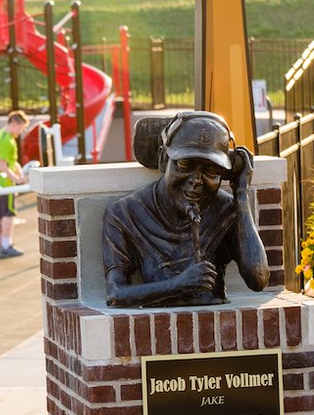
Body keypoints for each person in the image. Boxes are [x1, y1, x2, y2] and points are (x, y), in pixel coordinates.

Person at [102, 111, 269, 308]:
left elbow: (258, 279)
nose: (196, 180)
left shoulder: (226, 211)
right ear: (164, 159)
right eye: (185, 164)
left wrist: (241, 194)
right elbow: (116, 294)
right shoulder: (124, 214)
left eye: (211, 171)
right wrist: (178, 285)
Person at [0, 110, 30, 258]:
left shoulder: (0, 134)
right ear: (14, 124)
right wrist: (17, 179)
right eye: (21, 128)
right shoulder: (8, 140)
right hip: (3, 182)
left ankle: (2, 245)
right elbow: (2, 164)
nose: (21, 132)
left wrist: (18, 172)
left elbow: (10, 161)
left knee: (0, 214)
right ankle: (6, 245)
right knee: (8, 214)